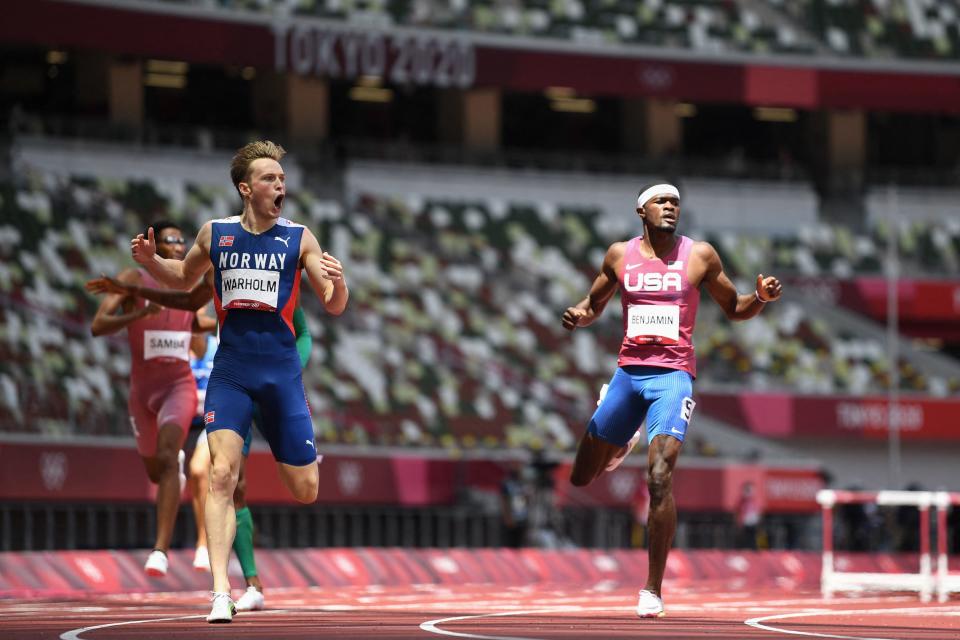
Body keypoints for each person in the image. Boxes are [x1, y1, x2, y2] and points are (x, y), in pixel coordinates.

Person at [129, 140, 347, 623]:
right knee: (222, 474)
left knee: (306, 489)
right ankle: (220, 592)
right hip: (231, 373)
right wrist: (149, 262)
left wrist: (341, 281)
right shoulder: (216, 234)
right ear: (246, 189)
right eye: (270, 178)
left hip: (282, 374)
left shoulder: (300, 238)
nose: (280, 185)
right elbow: (184, 280)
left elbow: (332, 303)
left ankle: (304, 453)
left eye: (283, 179)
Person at [561, 182, 782, 618]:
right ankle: (620, 438)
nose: (670, 208)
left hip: (673, 377)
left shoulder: (699, 256)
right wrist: (579, 314)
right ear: (641, 211)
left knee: (660, 476)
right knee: (581, 477)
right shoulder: (619, 255)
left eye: (676, 203)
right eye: (662, 202)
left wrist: (759, 297)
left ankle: (652, 590)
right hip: (627, 375)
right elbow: (594, 302)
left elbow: (734, 309)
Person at [87, 269, 314, 612]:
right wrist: (138, 290)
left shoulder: (277, 284)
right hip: (230, 396)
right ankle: (236, 580)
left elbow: (305, 332)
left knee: (304, 487)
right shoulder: (215, 303)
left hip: (276, 387)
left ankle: (221, 560)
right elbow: (186, 304)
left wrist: (291, 367)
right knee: (224, 479)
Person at [89, 220, 217, 577]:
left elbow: (200, 334)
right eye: (169, 241)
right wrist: (140, 313)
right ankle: (170, 471)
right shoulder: (133, 279)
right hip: (142, 392)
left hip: (178, 385)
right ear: (154, 245)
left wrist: (209, 322)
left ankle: (160, 550)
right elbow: (99, 325)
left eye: (181, 241)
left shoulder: (191, 284)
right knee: (156, 470)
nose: (178, 246)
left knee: (165, 457)